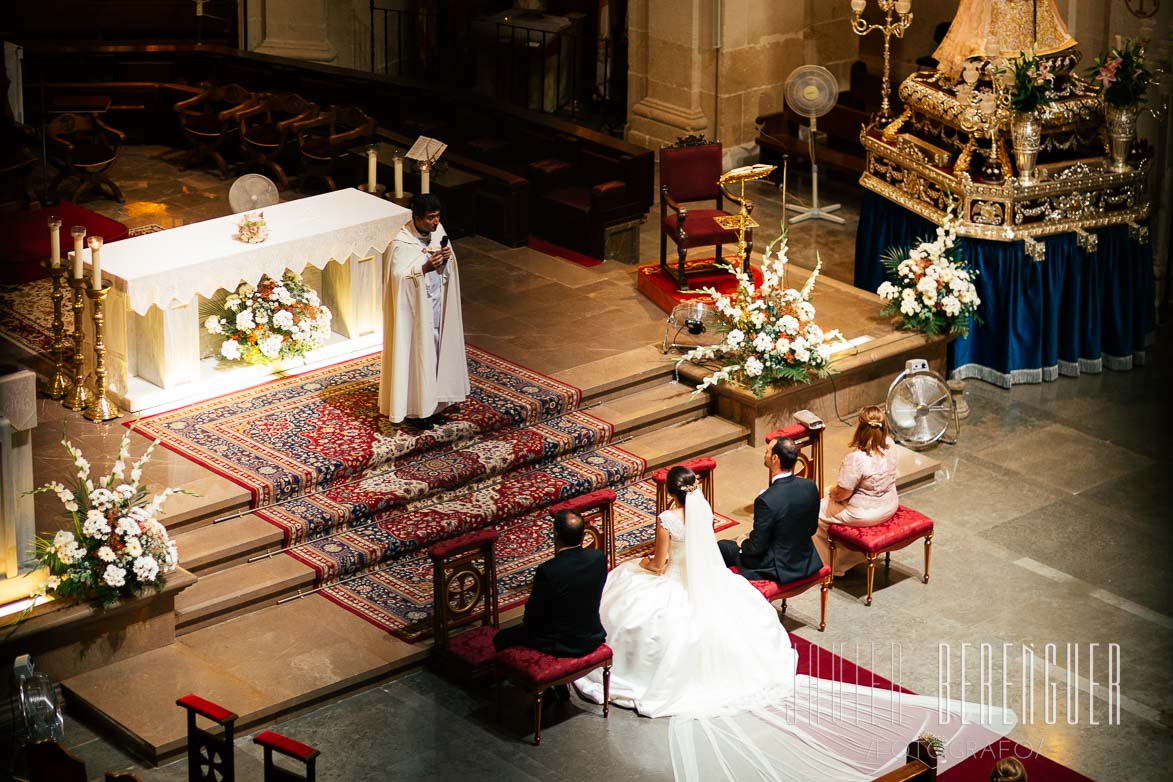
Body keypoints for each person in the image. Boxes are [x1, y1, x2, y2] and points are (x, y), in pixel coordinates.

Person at [575, 463, 1016, 781]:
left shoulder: (668, 519)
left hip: (676, 582)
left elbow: (660, 562)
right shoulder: (703, 513)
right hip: (707, 584)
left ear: (668, 494)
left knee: (627, 595)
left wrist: (640, 567)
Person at [378, 193, 470, 427]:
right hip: (415, 313)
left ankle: (435, 405)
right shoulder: (400, 242)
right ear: (416, 217)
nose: (435, 223)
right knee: (418, 355)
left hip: (437, 305)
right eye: (430, 218)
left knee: (437, 352)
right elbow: (398, 279)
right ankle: (415, 410)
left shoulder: (439, 233)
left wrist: (447, 260)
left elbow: (449, 270)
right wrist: (424, 268)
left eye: (437, 217)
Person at [493, 510, 607, 659]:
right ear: (583, 536)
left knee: (501, 638)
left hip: (562, 643)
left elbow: (532, 616)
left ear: (556, 536)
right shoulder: (598, 558)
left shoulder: (549, 570)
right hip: (593, 635)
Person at [718, 437, 823, 585]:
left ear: (775, 458)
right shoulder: (810, 486)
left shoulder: (766, 500)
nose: (764, 454)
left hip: (779, 567)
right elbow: (811, 529)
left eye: (767, 451)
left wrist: (743, 543)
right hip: (806, 559)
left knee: (722, 546)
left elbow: (756, 548)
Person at [812, 405, 899, 577]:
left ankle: (831, 565)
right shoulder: (891, 444)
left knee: (815, 513)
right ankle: (851, 557)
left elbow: (843, 493)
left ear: (860, 427)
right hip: (889, 505)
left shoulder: (856, 459)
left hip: (865, 514)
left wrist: (831, 493)